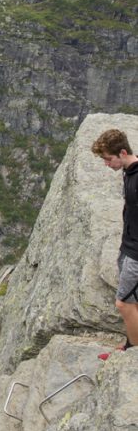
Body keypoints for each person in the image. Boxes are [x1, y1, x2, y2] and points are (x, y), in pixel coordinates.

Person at [92, 128, 138, 358]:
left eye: (109, 159)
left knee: (124, 303)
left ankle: (133, 354)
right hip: (127, 246)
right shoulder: (129, 172)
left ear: (122, 152)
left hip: (137, 253)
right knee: (134, 301)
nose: (107, 164)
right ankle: (130, 344)